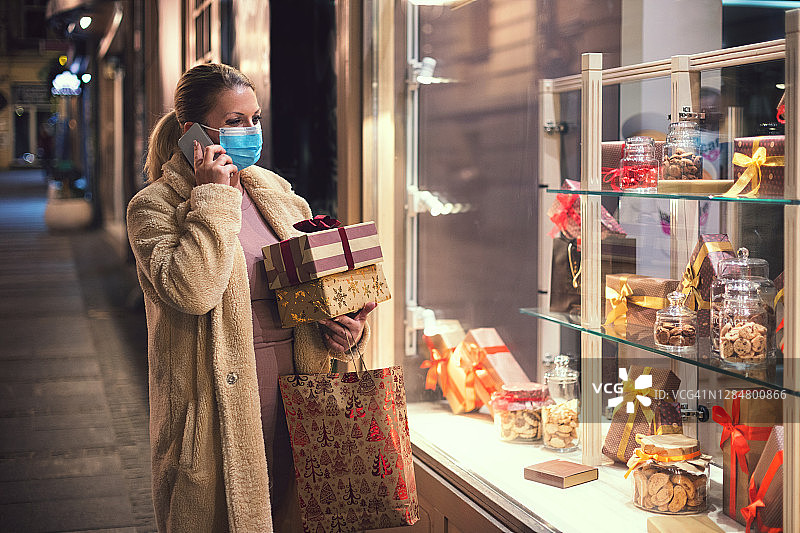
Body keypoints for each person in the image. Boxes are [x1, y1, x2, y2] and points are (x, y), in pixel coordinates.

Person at [127, 63, 376, 532]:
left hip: (300, 390)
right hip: (216, 407)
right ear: (192, 133)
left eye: (255, 119)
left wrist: (348, 329)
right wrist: (214, 198)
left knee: (294, 513)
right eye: (234, 121)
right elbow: (192, 290)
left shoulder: (277, 194)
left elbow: (318, 288)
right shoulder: (155, 207)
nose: (249, 132)